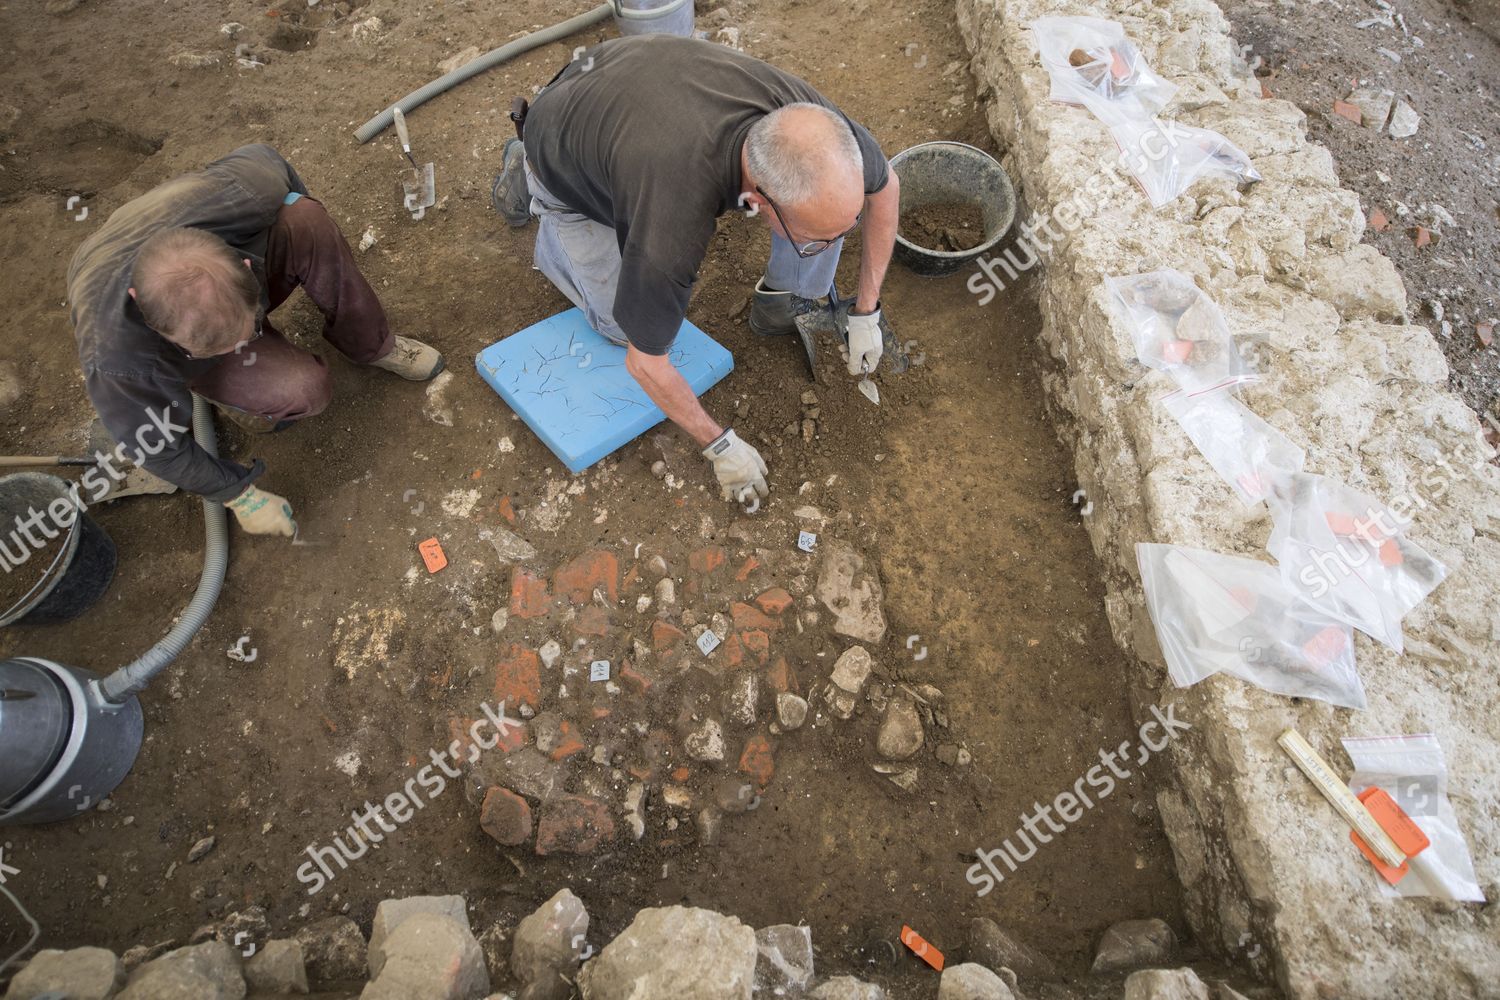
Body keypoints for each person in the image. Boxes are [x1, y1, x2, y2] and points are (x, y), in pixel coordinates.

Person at [491, 34, 899, 506]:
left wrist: (866, 309)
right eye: (818, 239)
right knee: (624, 328)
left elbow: (885, 187)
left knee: (820, 226)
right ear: (755, 202)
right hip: (568, 127)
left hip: (643, 77)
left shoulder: (815, 131)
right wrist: (719, 444)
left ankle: (785, 299)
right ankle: (522, 172)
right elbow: (645, 365)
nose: (833, 246)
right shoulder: (672, 219)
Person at [66, 143, 444, 537]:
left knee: (304, 218)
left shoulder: (247, 189)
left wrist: (316, 253)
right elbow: (155, 447)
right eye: (216, 351)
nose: (241, 353)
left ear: (245, 263)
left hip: (206, 227)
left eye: (243, 336)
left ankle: (371, 343)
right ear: (143, 312)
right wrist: (238, 494)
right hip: (116, 280)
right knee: (304, 390)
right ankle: (229, 393)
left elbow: (280, 173)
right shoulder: (116, 358)